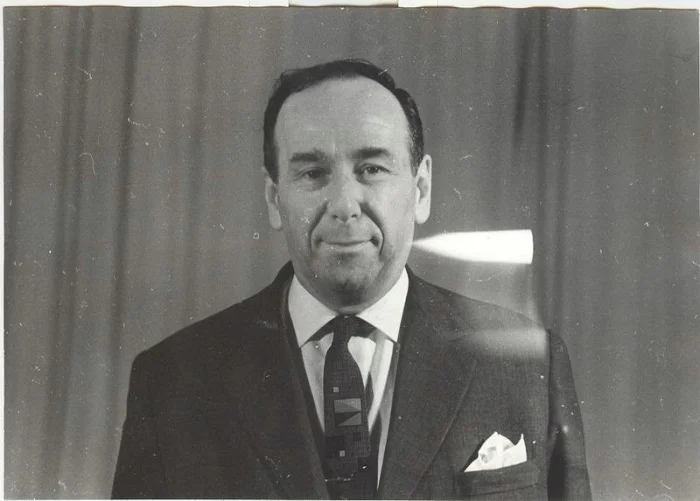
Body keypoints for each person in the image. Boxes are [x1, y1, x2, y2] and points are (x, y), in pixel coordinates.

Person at [112, 59, 591, 500]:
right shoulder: (173, 382)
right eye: (312, 173)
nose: (344, 204)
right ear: (274, 198)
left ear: (421, 189)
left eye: (372, 169)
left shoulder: (527, 365)